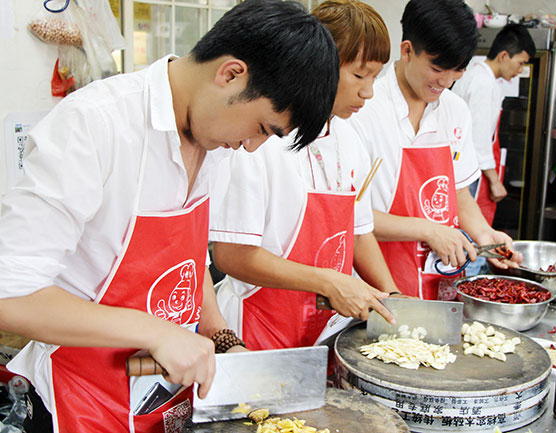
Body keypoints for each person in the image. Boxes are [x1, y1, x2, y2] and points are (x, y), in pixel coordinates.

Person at [0, 1, 340, 432]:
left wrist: (222, 340)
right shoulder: (95, 125)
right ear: (231, 74)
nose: (252, 147)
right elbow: (9, 295)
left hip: (163, 402)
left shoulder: (216, 141)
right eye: (261, 128)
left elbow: (187, 262)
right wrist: (155, 332)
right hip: (78, 401)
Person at [210, 0, 396, 352]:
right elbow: (231, 255)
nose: (368, 91)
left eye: (375, 77)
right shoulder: (260, 138)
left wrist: (395, 299)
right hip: (258, 327)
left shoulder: (350, 140)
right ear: (321, 65)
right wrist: (327, 282)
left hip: (322, 329)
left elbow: (358, 233)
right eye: (359, 75)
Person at [347, 0, 521, 301]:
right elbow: (349, 215)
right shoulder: (363, 109)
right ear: (407, 51)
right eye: (437, 69)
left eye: (457, 71)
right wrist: (428, 230)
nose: (446, 82)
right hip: (373, 286)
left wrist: (485, 235)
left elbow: (459, 194)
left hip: (438, 281)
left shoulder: (455, 111)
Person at [452, 24, 535, 226]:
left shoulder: (476, 74)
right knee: (471, 231)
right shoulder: (484, 84)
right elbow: (478, 139)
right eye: (520, 63)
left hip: (462, 166)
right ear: (504, 55)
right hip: (469, 170)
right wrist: (495, 181)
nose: (521, 70)